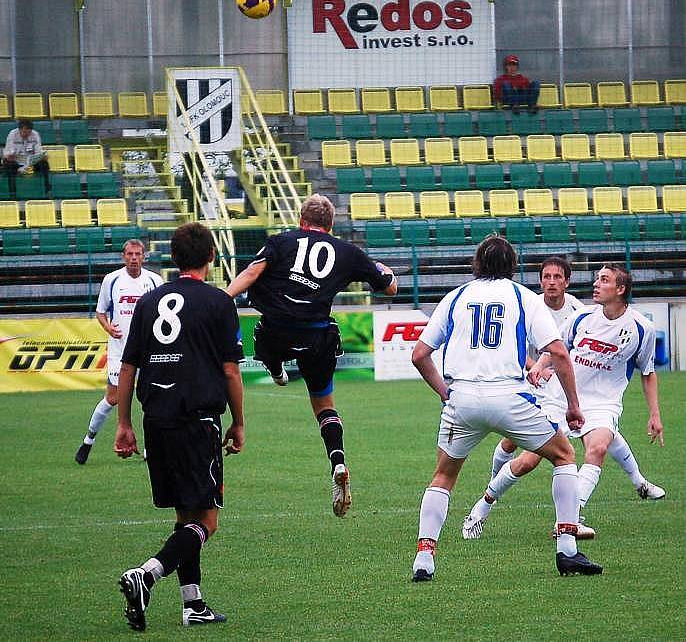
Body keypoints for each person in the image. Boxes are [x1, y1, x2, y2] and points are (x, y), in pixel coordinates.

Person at [410, 235, 602, 582]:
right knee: (564, 455)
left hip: (463, 399)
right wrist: (573, 406)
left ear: (477, 263)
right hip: (510, 397)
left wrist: (445, 394)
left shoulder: (455, 297)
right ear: (512, 265)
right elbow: (558, 353)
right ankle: (568, 549)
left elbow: (419, 355)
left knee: (443, 475)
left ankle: (424, 557)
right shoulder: (523, 297)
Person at [464, 257, 666, 539]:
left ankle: (572, 519)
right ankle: (482, 506)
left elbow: (648, 372)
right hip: (559, 399)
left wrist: (654, 414)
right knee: (528, 461)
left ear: (621, 289)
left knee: (598, 447)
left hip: (602, 403)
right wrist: (539, 366)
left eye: (604, 280)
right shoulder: (581, 318)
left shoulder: (641, 328)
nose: (596, 284)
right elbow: (557, 349)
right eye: (597, 278)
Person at [226, 194, 397, 517]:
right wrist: (384, 271)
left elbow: (251, 272)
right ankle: (338, 461)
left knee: (263, 337)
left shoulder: (282, 241)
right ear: (330, 225)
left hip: (276, 329)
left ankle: (276, 369)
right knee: (324, 405)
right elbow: (390, 288)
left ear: (301, 220)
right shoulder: (348, 252)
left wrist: (222, 299)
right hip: (317, 335)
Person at [114, 222, 245, 631]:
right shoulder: (219, 302)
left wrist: (123, 424)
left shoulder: (149, 302)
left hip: (156, 421)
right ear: (212, 257)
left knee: (184, 514)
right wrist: (238, 423)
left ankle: (193, 603)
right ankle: (147, 574)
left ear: (173, 258)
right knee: (206, 521)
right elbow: (230, 371)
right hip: (197, 421)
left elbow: (128, 365)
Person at [75, 239, 163, 464]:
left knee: (151, 400)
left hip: (149, 352)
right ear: (123, 256)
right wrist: (108, 327)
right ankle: (88, 440)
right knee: (113, 398)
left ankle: (151, 449)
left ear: (144, 257)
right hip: (120, 352)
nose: (134, 258)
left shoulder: (155, 281)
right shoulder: (112, 280)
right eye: (130, 254)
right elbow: (101, 312)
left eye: (138, 254)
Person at [2, 118, 50, 195]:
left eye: (28, 133)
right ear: (19, 129)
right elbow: (8, 152)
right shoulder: (12, 134)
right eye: (24, 132)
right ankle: (12, 192)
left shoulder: (35, 134)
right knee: (9, 165)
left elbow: (38, 150)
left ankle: (47, 190)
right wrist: (10, 156)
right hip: (16, 160)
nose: (26, 135)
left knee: (44, 164)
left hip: (30, 160)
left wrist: (42, 156)